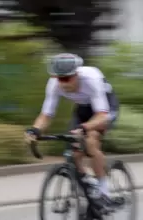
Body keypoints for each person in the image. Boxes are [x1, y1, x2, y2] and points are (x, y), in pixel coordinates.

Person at [24, 53, 119, 210]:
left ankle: (104, 192)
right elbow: (46, 115)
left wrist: (85, 128)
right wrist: (35, 130)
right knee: (74, 151)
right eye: (59, 78)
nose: (63, 83)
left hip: (105, 107)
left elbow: (102, 115)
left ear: (76, 74)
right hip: (83, 108)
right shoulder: (54, 84)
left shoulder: (91, 80)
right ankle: (88, 185)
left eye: (67, 78)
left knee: (91, 141)